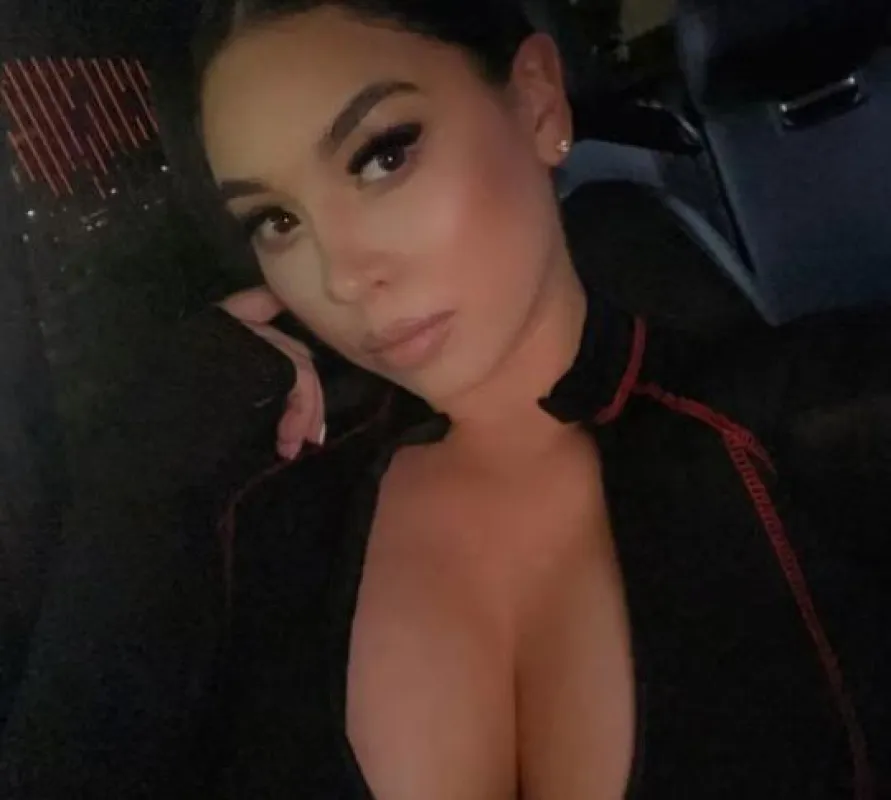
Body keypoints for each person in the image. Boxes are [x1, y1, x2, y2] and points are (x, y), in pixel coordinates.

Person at [2, 1, 889, 798]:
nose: (341, 277)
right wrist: (135, 483)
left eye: (382, 156)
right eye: (277, 220)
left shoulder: (814, 422)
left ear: (537, 104)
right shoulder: (258, 528)